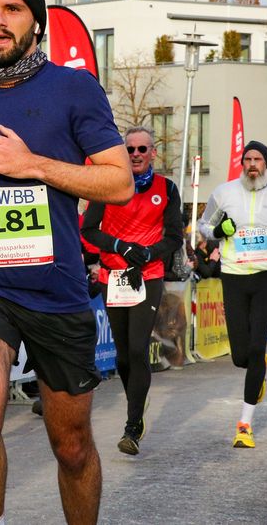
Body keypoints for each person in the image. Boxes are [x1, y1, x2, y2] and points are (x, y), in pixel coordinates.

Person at [0, 0, 132, 525]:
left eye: (13, 9)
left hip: (55, 288)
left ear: (36, 22)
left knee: (71, 446)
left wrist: (33, 165)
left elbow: (118, 182)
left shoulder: (74, 88)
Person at [81, 125, 183, 456]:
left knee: (138, 349)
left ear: (153, 152)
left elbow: (174, 236)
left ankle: (133, 425)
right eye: (130, 149)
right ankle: (137, 400)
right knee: (124, 356)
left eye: (142, 149)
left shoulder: (167, 188)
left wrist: (148, 253)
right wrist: (120, 247)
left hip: (147, 275)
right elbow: (89, 230)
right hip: (113, 276)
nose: (136, 154)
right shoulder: (108, 186)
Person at [197, 140, 267, 449]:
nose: (252, 164)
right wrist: (219, 232)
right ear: (242, 163)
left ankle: (244, 425)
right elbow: (203, 226)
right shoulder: (224, 193)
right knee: (240, 357)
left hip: (265, 278)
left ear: (266, 164)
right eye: (247, 159)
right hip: (233, 277)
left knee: (257, 348)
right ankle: (258, 369)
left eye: (258, 159)